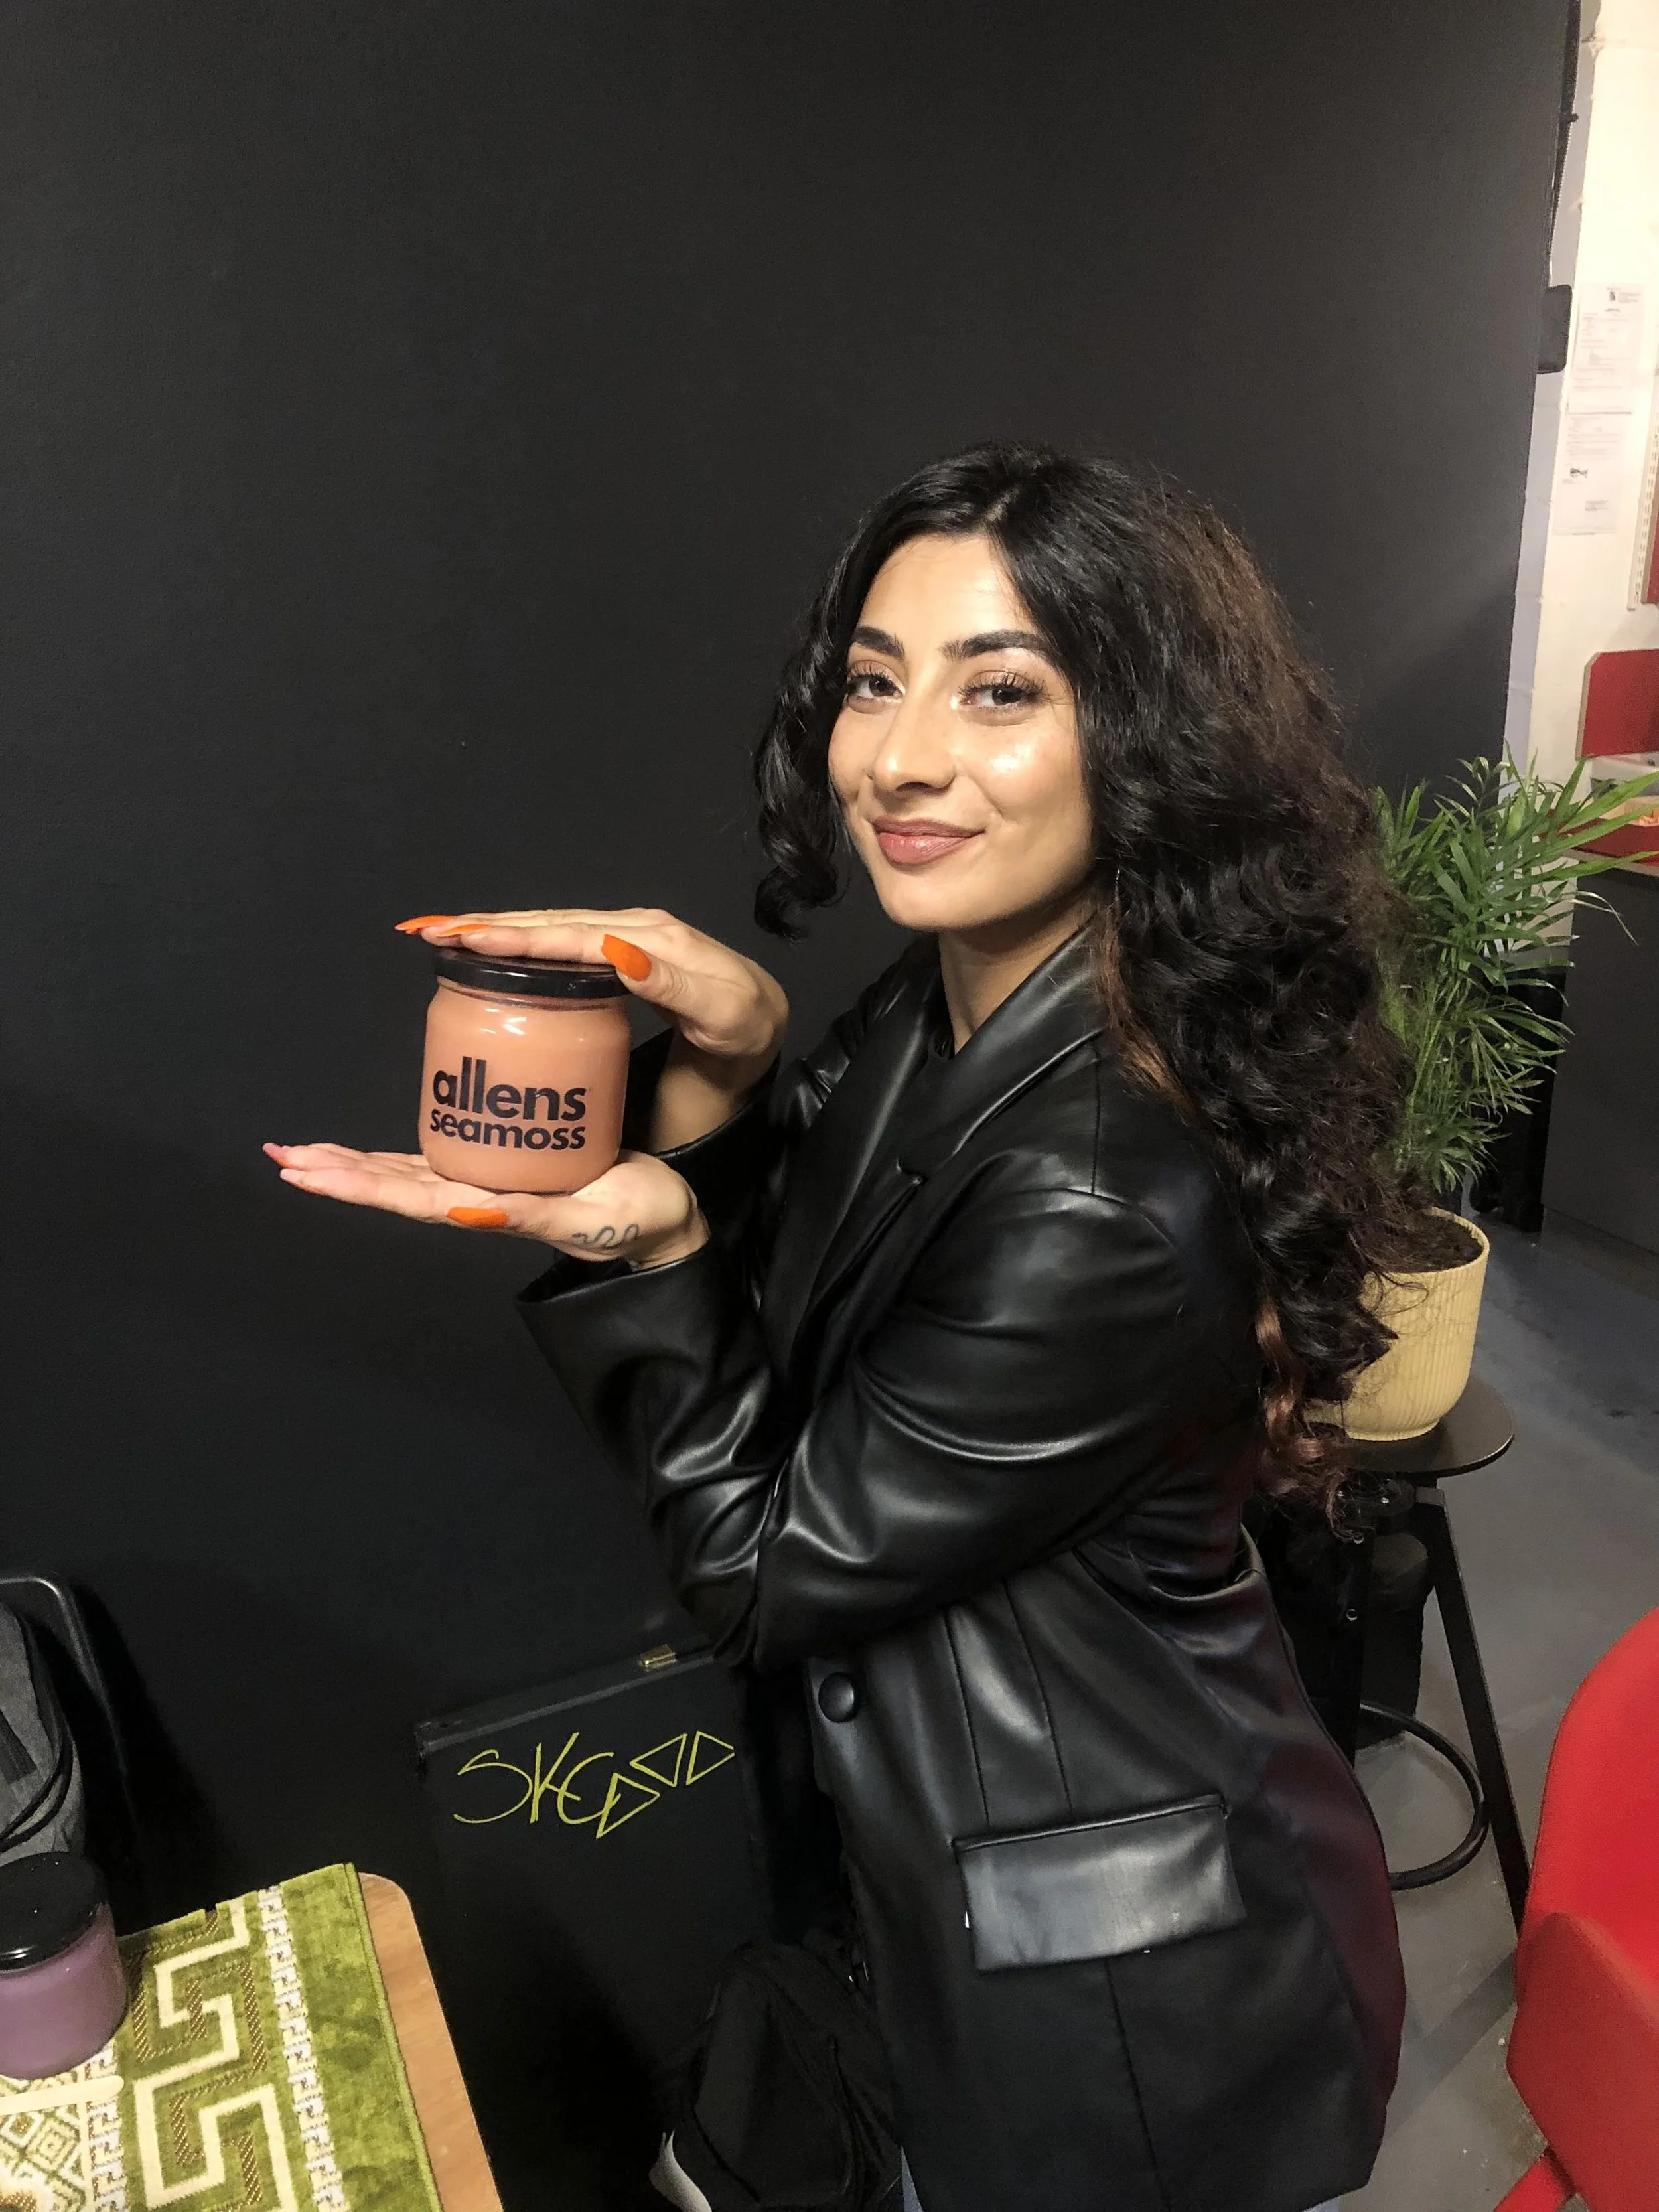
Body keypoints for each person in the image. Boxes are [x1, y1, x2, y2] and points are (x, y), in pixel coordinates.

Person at [267, 443, 1407, 2212]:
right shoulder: (959, 998)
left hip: (1123, 1980)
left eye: (1001, 690)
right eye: (875, 682)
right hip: (921, 1877)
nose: (900, 757)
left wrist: (651, 1248)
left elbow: (766, 1570)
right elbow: (811, 1274)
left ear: (1150, 739)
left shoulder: (1098, 1189)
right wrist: (728, 1063)